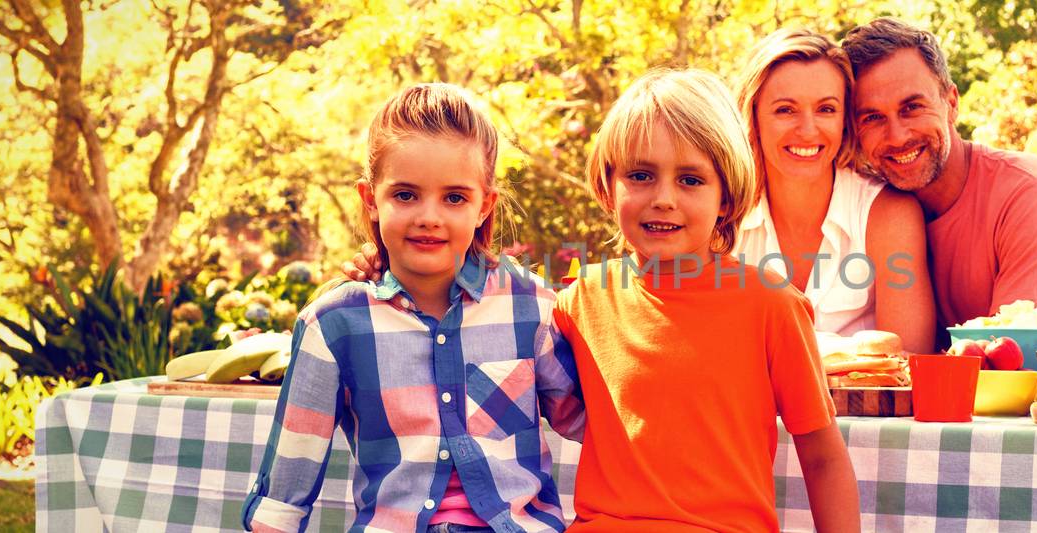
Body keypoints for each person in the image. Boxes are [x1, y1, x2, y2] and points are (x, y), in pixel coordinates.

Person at [243, 84, 586, 533]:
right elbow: (285, 488)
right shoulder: (333, 326)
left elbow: (586, 422)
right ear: (371, 200)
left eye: (454, 198)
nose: (429, 216)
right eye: (405, 195)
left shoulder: (531, 307)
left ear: (484, 206)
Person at [556, 69, 859, 532]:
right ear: (607, 186)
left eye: (691, 180)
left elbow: (821, 457)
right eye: (640, 175)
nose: (663, 198)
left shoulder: (772, 306)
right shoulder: (579, 301)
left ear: (725, 198)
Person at [842, 18, 1037, 350]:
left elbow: (1021, 363)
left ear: (951, 103)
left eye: (912, 107)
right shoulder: (876, 214)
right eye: (873, 118)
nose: (898, 135)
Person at [732, 28, 936, 354]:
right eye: (786, 110)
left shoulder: (886, 215)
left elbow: (909, 363)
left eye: (826, 109)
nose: (808, 130)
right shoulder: (723, 217)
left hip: (859, 406)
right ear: (754, 115)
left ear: (844, 120)